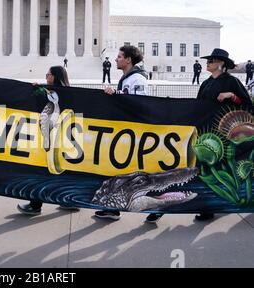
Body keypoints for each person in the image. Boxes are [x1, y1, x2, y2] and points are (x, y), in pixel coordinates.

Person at [146, 48, 252, 224]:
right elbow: (197, 106)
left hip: (220, 137)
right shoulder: (206, 83)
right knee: (189, 168)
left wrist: (231, 96)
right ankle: (164, 206)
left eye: (211, 60)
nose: (208, 63)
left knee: (209, 171)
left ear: (221, 63)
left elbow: (247, 104)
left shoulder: (231, 82)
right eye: (208, 60)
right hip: (203, 134)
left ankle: (206, 207)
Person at [17, 66, 80, 216]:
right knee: (62, 171)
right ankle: (69, 201)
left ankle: (35, 205)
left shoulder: (51, 93)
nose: (46, 77)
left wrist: (36, 90)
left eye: (49, 74)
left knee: (42, 172)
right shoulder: (70, 93)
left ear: (55, 76)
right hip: (65, 140)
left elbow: (39, 100)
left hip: (53, 139)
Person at [96, 45, 148, 221]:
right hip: (124, 133)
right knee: (118, 172)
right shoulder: (126, 79)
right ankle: (113, 208)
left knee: (139, 174)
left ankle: (156, 208)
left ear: (128, 60)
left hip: (133, 134)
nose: (116, 59)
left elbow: (141, 104)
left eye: (119, 56)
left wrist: (117, 94)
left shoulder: (138, 80)